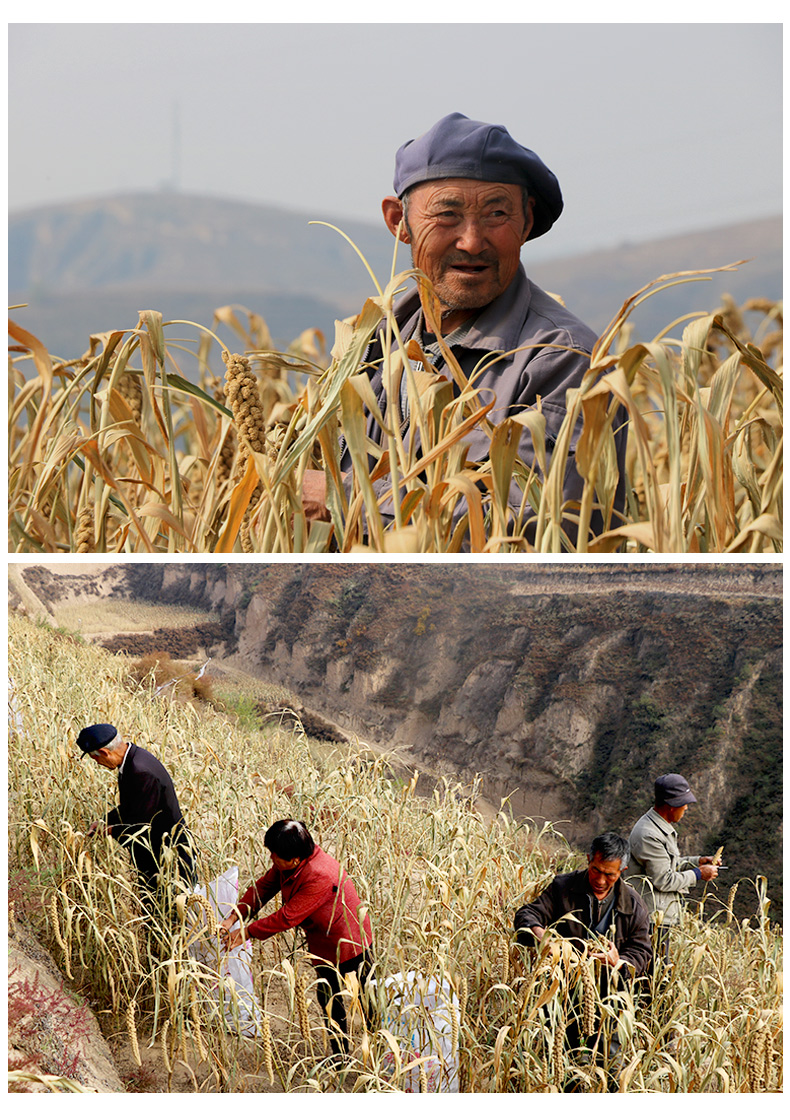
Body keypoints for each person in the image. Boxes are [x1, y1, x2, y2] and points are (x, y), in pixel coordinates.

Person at [302, 112, 627, 542]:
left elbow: (530, 528)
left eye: (496, 214)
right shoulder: (369, 349)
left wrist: (342, 501)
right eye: (448, 215)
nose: (472, 241)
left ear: (526, 221)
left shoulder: (565, 363)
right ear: (399, 221)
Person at [220, 819, 374, 1057]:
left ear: (295, 859)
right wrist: (234, 917)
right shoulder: (290, 861)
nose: (271, 858)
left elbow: (287, 917)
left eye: (275, 854)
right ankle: (339, 1058)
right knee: (329, 999)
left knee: (366, 999)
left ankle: (381, 1046)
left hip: (350, 941)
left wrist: (247, 933)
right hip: (322, 941)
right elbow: (263, 889)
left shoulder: (320, 875)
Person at [514, 833, 651, 1087]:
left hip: (609, 1002)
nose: (600, 880)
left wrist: (618, 961)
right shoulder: (563, 888)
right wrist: (544, 938)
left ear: (622, 870)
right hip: (564, 997)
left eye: (609, 875)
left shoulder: (633, 905)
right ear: (588, 860)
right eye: (595, 870)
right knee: (559, 1066)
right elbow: (527, 914)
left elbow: (642, 952)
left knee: (610, 1071)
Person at [78, 722, 196, 909]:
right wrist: (104, 821)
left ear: (104, 752)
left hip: (168, 859)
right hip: (159, 854)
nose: (99, 764)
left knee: (166, 913)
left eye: (96, 759)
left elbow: (143, 826)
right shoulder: (132, 760)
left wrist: (109, 830)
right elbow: (131, 807)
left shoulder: (140, 771)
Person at [627, 773, 720, 967]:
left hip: (659, 914)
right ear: (671, 805)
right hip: (652, 917)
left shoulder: (659, 827)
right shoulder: (649, 834)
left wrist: (698, 861)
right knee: (655, 971)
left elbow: (669, 862)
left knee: (659, 968)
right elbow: (664, 879)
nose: (686, 808)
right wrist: (699, 874)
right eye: (683, 804)